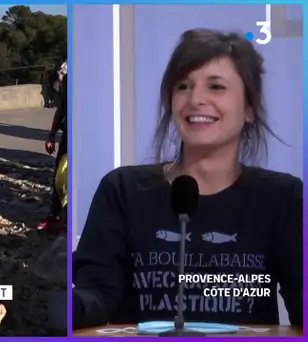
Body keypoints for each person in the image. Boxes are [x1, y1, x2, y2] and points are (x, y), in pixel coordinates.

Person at [72, 29, 302, 329]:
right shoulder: (123, 189)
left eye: (216, 87)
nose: (196, 99)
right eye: (183, 86)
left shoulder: (282, 197)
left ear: (249, 108)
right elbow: (95, 297)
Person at [38, 73, 67, 231]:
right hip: (68, 140)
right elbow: (61, 109)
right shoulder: (69, 80)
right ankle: (54, 214)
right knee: (59, 177)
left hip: (87, 139)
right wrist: (51, 135)